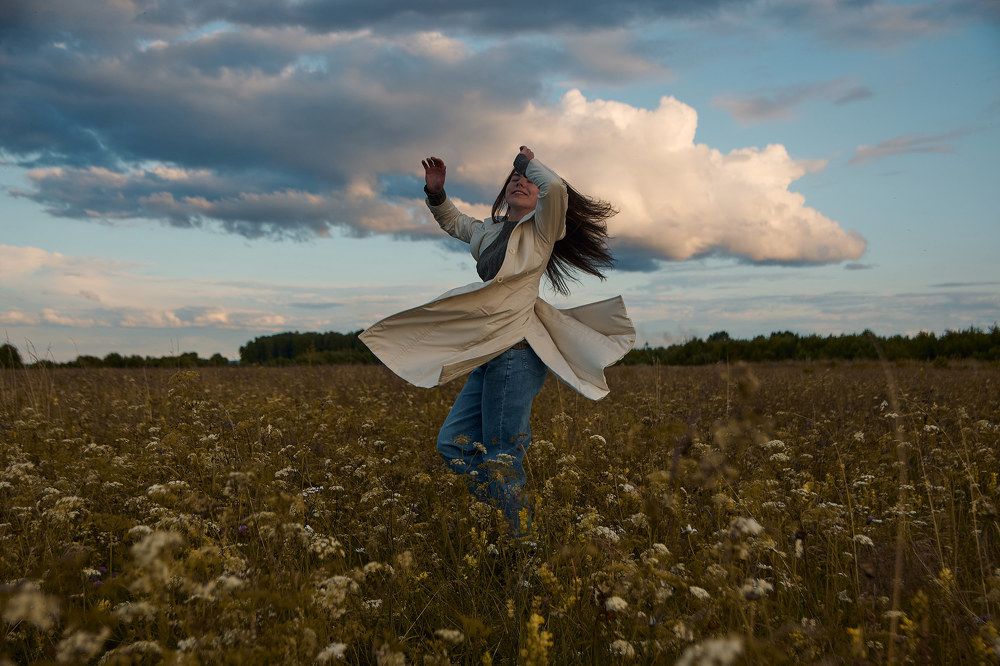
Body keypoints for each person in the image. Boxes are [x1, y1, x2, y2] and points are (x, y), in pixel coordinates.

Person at [359, 147, 636, 538]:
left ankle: (521, 541)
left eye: (526, 181)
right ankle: (504, 516)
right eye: (513, 180)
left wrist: (524, 162)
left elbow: (554, 186)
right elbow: (455, 223)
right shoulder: (488, 231)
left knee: (502, 456)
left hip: (519, 353)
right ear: (503, 192)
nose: (520, 182)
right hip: (489, 351)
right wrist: (436, 193)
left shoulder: (543, 230)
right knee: (453, 447)